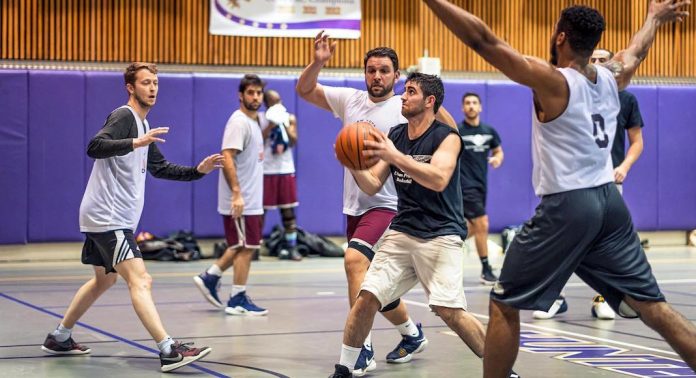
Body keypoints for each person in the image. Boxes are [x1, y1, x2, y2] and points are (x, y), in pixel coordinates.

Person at [422, 1, 696, 377]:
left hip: (570, 204)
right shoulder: (612, 76)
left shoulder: (553, 81)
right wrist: (653, 18)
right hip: (610, 206)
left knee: (504, 303)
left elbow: (483, 40)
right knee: (653, 307)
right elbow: (636, 51)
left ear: (561, 36)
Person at [329, 73, 516, 378]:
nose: (403, 96)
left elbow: (438, 178)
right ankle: (344, 368)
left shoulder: (448, 137)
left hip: (441, 234)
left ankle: (505, 371)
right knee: (367, 297)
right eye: (404, 92)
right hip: (403, 230)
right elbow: (374, 184)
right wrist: (353, 164)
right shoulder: (397, 135)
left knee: (449, 311)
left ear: (429, 102)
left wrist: (395, 156)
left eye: (411, 92)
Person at [41, 62, 219, 372]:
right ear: (130, 87)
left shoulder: (143, 127)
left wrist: (197, 172)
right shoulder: (124, 117)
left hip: (106, 216)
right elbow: (95, 146)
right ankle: (168, 349)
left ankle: (60, 337)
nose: (153, 88)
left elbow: (161, 168)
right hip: (109, 217)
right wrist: (135, 143)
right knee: (141, 279)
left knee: (104, 280)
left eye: (155, 83)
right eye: (146, 82)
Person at [297, 34, 440, 376]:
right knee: (373, 286)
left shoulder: (404, 109)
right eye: (371, 70)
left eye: (384, 71)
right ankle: (412, 334)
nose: (377, 76)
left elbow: (443, 129)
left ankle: (360, 348)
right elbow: (304, 90)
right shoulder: (350, 100)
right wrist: (318, 62)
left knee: (354, 261)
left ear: (396, 75)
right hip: (355, 204)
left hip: (390, 203)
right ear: (365, 73)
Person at [533, 47, 647, 321]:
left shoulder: (624, 99)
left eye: (601, 60)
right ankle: (555, 298)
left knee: (607, 244)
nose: (595, 63)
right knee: (564, 242)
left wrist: (624, 166)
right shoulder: (567, 92)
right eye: (592, 58)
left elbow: (637, 142)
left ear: (610, 66)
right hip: (570, 186)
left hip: (606, 183)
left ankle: (608, 296)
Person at [194, 74, 269, 316]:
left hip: (251, 198)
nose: (255, 97)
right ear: (241, 95)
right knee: (246, 247)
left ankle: (211, 277)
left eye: (259, 93)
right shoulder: (238, 122)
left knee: (242, 245)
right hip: (241, 199)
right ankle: (237, 297)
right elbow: (227, 156)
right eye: (251, 92)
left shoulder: (254, 121)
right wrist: (236, 193)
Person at [458, 92, 504, 285]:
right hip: (464, 186)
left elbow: (498, 150)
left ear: (480, 107)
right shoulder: (457, 131)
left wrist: (496, 160)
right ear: (463, 108)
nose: (471, 106)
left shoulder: (489, 131)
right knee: (482, 223)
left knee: (470, 228)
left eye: (474, 103)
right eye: (467, 103)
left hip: (480, 186)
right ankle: (486, 269)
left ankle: (439, 246)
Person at [261, 89, 302, 261]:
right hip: (266, 169)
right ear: (266, 104)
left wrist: (282, 123)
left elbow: (293, 140)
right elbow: (258, 139)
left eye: (278, 100)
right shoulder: (261, 119)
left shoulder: (290, 117)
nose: (277, 104)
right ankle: (254, 247)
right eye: (272, 102)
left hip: (285, 169)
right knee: (259, 211)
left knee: (288, 211)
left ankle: (291, 247)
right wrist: (271, 124)